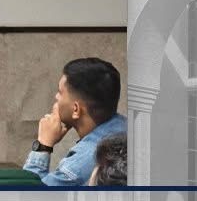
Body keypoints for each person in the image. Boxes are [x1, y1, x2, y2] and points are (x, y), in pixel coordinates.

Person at [23, 57, 127, 186]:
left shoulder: (78, 168)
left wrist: (43, 145)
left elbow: (26, 195)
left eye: (60, 92)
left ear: (76, 109)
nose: (56, 97)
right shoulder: (127, 129)